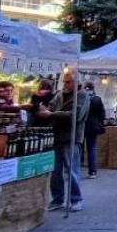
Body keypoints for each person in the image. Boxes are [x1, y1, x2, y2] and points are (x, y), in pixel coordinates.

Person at [37, 71, 89, 212]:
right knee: (55, 170)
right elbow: (51, 107)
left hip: (71, 137)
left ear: (76, 81)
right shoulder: (60, 94)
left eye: (68, 82)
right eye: (64, 82)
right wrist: (43, 109)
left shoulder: (83, 96)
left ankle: (75, 199)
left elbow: (76, 116)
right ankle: (58, 198)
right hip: (57, 135)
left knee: (71, 169)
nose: (65, 85)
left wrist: (52, 114)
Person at [83, 82, 106, 179]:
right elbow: (102, 114)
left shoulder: (81, 97)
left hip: (81, 126)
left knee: (78, 148)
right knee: (92, 148)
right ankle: (92, 171)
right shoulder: (97, 99)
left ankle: (75, 168)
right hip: (93, 126)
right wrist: (99, 121)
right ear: (93, 88)